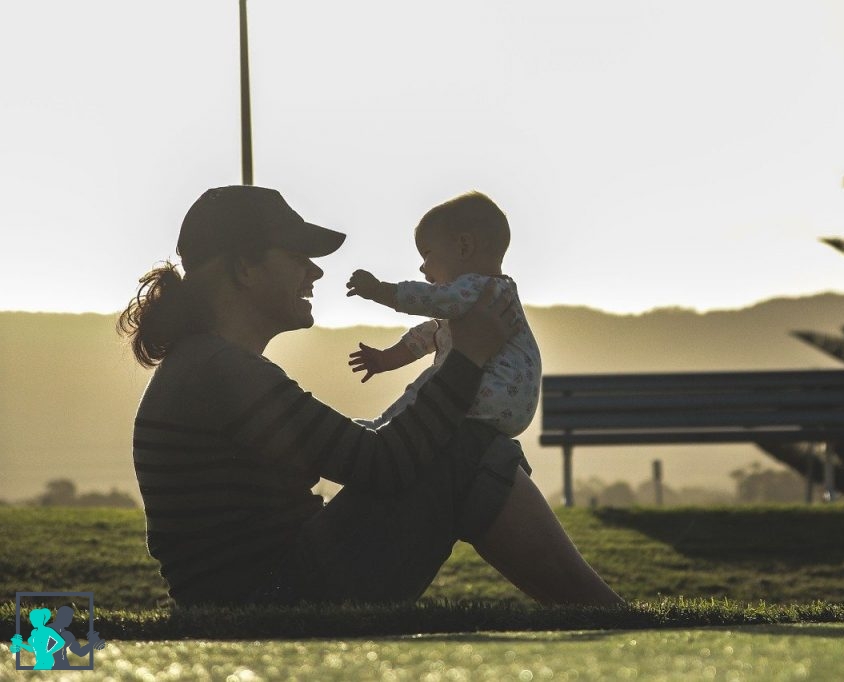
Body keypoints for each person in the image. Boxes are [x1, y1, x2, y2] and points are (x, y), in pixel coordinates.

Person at [119, 185, 622, 606]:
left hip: (264, 589)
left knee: (466, 445)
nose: (314, 273)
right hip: (270, 598)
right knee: (469, 449)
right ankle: (608, 617)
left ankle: (603, 614)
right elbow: (382, 464)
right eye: (298, 258)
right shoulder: (217, 372)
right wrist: (468, 356)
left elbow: (354, 451)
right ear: (243, 269)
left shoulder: (207, 367)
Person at [346, 191, 540, 439]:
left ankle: (384, 429)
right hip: (510, 406)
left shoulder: (480, 287)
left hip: (492, 392)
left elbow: (430, 299)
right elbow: (431, 335)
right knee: (437, 382)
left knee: (432, 384)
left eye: (426, 254)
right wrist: (386, 360)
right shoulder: (488, 297)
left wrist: (379, 290)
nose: (422, 266)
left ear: (464, 247)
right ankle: (384, 426)